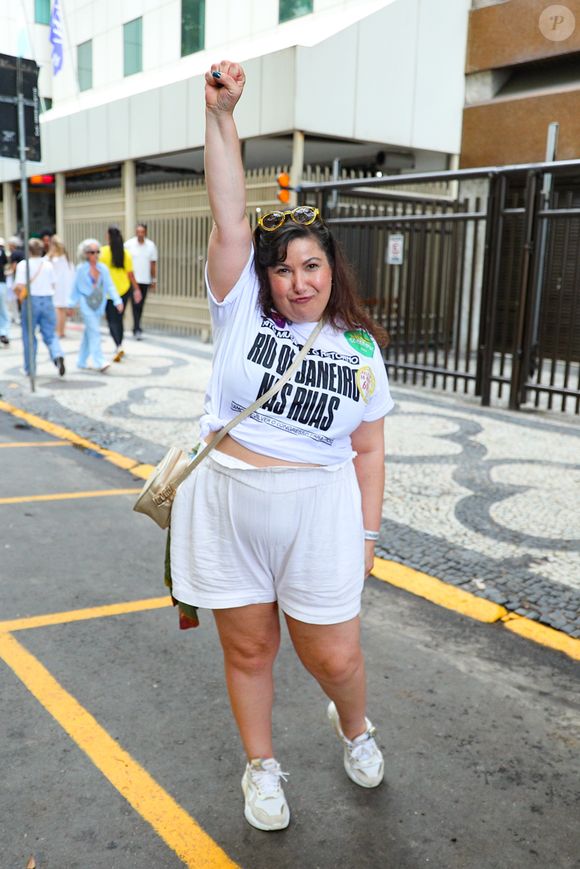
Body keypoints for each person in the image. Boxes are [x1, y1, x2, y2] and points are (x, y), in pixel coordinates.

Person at [170, 61, 394, 832]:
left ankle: (355, 725)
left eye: (312, 265)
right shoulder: (241, 313)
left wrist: (368, 532)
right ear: (262, 278)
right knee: (250, 649)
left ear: (332, 268)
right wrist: (222, 115)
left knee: (334, 657)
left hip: (320, 511)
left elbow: (369, 450)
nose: (299, 281)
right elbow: (230, 213)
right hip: (227, 503)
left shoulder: (359, 348)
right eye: (284, 269)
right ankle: (261, 767)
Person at [68, 239, 123, 372]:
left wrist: (117, 300)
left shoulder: (103, 268)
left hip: (99, 304)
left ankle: (81, 361)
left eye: (97, 251)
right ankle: (100, 361)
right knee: (94, 332)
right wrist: (70, 305)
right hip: (85, 303)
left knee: (89, 333)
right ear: (86, 253)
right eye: (92, 252)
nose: (95, 254)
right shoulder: (81, 269)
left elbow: (110, 285)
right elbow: (75, 288)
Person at [13, 238, 65, 376]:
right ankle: (57, 354)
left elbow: (19, 286)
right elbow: (54, 284)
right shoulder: (47, 265)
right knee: (50, 333)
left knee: (28, 335)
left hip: (31, 301)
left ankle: (30, 368)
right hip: (47, 300)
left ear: (28, 250)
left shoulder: (23, 265)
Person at [100, 225, 141, 362]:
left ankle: (117, 345)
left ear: (109, 237)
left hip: (108, 293)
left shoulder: (103, 252)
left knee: (111, 320)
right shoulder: (126, 253)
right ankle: (120, 345)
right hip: (124, 290)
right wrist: (136, 289)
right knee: (119, 319)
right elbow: (130, 275)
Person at [124, 222, 158, 340]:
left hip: (145, 280)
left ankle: (136, 327)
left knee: (140, 304)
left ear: (145, 232)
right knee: (135, 304)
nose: (140, 234)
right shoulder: (128, 245)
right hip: (132, 280)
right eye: (138, 232)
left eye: (142, 232)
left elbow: (153, 263)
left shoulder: (151, 245)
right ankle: (137, 328)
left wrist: (154, 279)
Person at [48, 235, 75, 339]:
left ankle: (58, 331)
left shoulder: (53, 260)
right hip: (66, 288)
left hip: (56, 288)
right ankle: (61, 331)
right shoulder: (67, 260)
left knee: (57, 309)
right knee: (62, 310)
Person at [0, 238, 10, 345]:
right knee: (3, 310)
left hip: (2, 283)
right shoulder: (2, 253)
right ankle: (3, 332)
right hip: (1, 284)